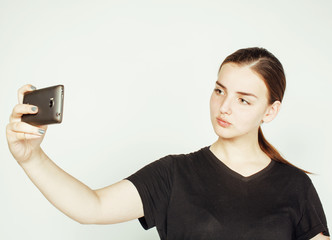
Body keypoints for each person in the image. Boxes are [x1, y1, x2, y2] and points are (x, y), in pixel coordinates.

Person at [6, 47, 330, 240]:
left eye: (244, 100)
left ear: (270, 111)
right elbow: (92, 207)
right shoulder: (174, 174)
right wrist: (31, 158)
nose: (225, 107)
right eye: (220, 91)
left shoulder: (294, 186)